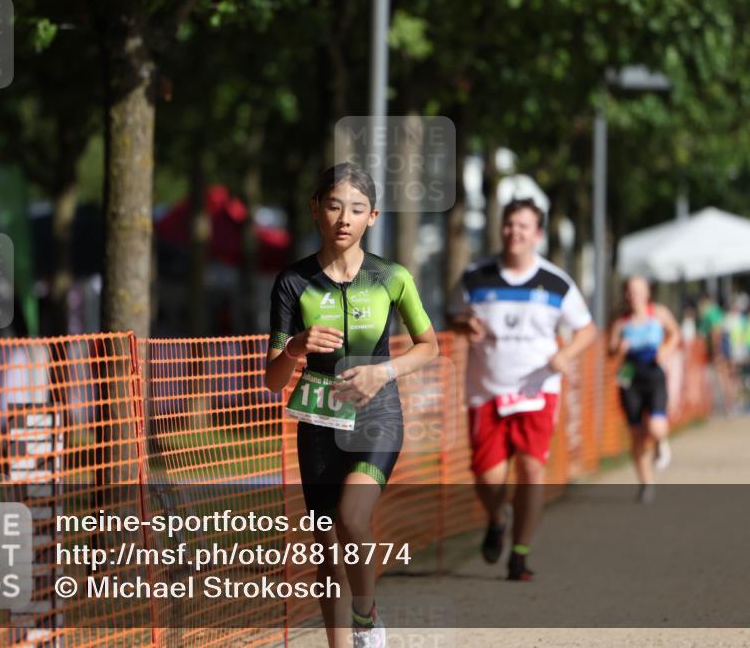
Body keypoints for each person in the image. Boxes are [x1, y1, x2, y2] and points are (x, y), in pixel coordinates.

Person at [264, 163, 438, 648]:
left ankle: (366, 616)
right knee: (326, 546)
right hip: (318, 419)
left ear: (372, 216)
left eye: (357, 209)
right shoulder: (292, 282)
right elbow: (272, 379)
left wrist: (384, 372)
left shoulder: (391, 277)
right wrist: (296, 346)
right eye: (335, 206)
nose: (345, 218)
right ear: (315, 209)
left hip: (376, 413)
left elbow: (430, 346)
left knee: (352, 518)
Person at [447, 198, 596, 581]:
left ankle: (520, 552)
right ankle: (498, 518)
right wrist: (464, 324)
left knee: (531, 469)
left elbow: (587, 329)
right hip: (486, 391)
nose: (515, 232)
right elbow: (451, 314)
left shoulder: (556, 281)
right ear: (502, 228)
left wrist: (567, 355)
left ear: (538, 234)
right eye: (509, 224)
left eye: (524, 226)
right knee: (488, 478)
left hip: (537, 390)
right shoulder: (476, 277)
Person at [608, 277, 680, 503]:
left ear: (648, 292)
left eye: (638, 291)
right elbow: (610, 351)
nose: (634, 296)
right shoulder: (620, 322)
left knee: (656, 427)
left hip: (654, 374)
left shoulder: (658, 313)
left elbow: (674, 333)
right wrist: (619, 349)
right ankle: (646, 483)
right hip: (630, 377)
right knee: (636, 434)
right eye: (630, 291)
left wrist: (666, 350)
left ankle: (660, 442)